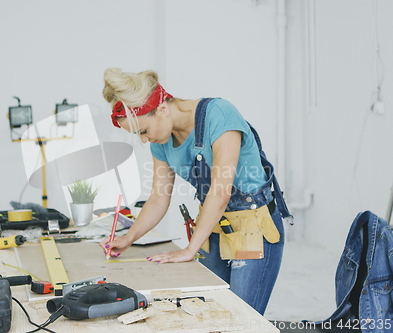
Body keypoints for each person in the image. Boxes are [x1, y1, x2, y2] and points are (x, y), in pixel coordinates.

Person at [99, 68, 291, 315]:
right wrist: (128, 238)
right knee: (209, 316)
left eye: (143, 131)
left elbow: (221, 191)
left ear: (162, 109)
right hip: (212, 229)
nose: (144, 141)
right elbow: (158, 198)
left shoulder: (220, 115)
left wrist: (190, 250)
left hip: (254, 228)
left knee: (242, 321)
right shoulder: (162, 142)